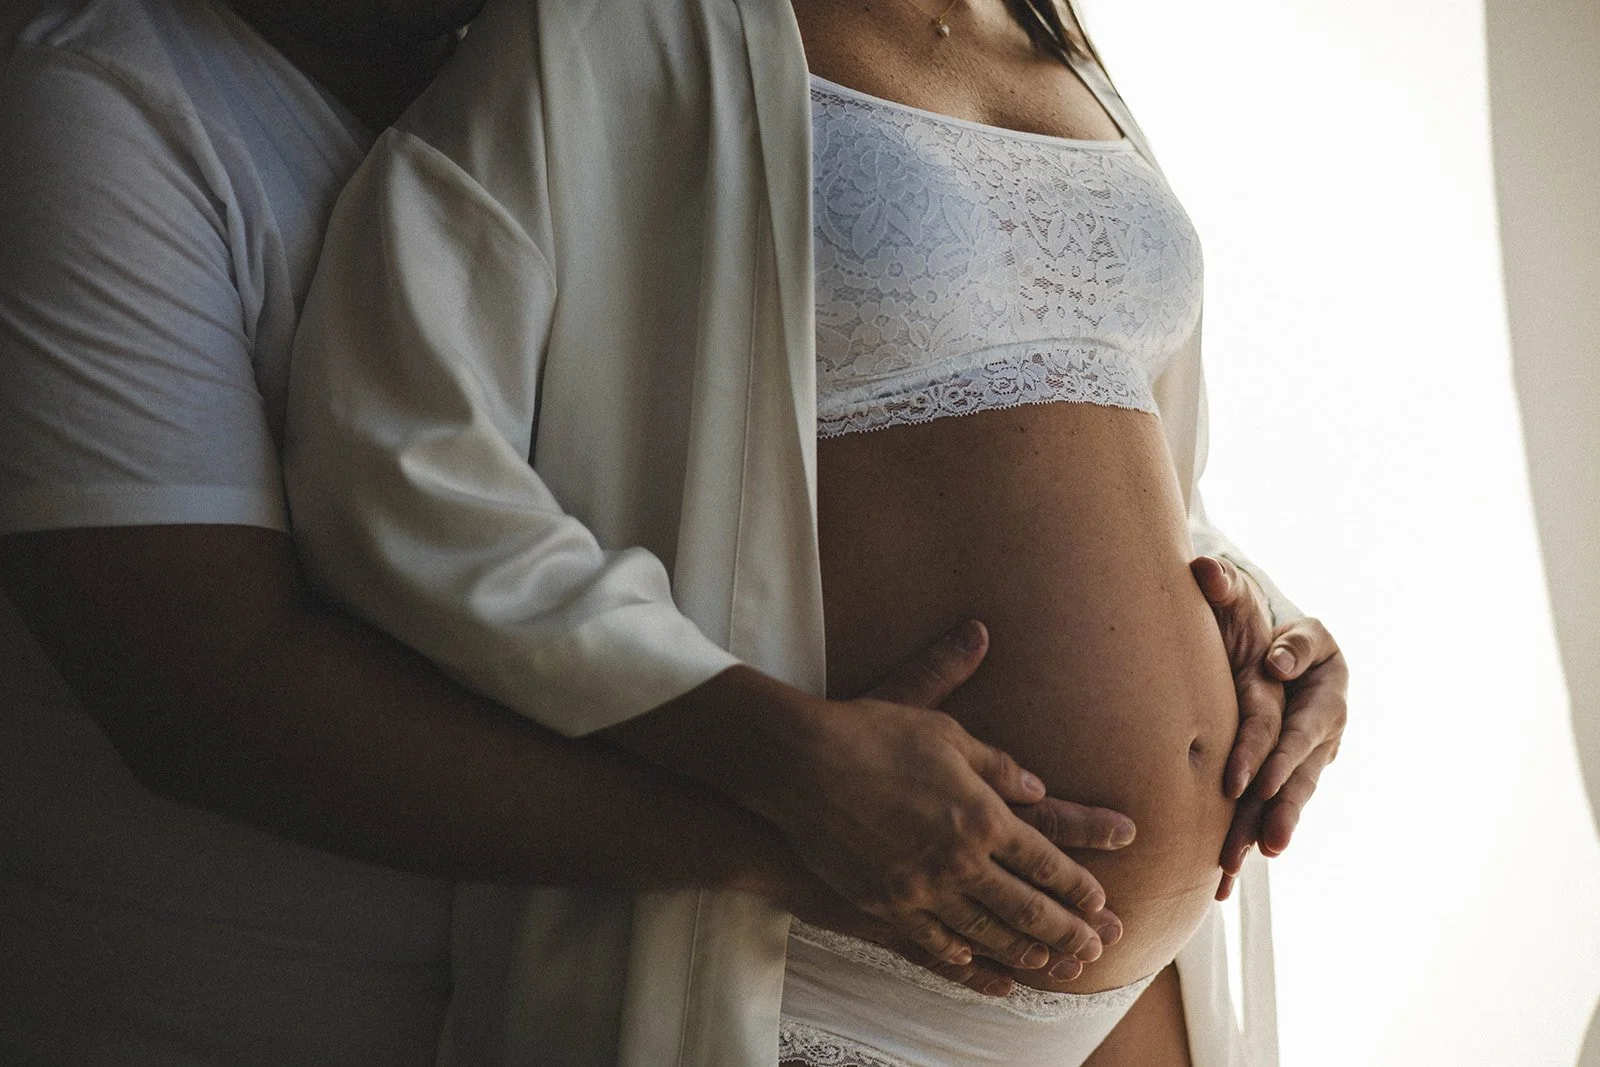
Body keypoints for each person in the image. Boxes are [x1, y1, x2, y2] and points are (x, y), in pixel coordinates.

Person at [0, 0, 1170, 1062]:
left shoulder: (563, 62)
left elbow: (962, 441)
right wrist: (792, 808)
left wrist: (1239, 621)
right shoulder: (97, 105)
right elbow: (213, 693)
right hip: (248, 1004)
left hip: (684, 951)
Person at [284, 0, 1349, 1064]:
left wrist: (1274, 638)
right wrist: (773, 747)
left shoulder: (1056, 36)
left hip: (1136, 993)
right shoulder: (619, 28)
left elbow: (1138, 474)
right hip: (821, 971)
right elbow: (395, 442)